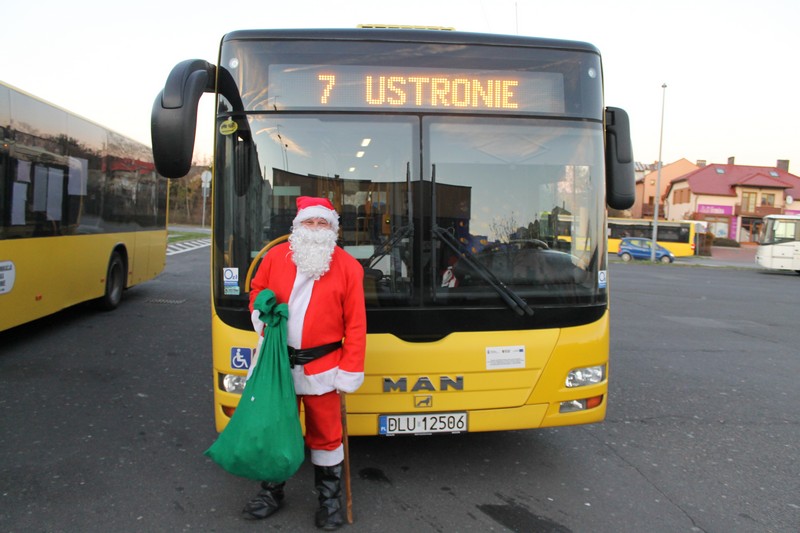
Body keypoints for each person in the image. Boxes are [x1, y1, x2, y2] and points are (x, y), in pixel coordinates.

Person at [245, 196, 367, 530]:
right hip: (278, 366)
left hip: (324, 368)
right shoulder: (274, 258)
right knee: (276, 429)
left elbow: (356, 324)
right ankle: (271, 493)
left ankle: (329, 502)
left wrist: (350, 370)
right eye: (309, 223)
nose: (315, 230)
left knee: (327, 437)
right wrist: (263, 308)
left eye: (322, 223)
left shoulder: (348, 268)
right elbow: (257, 292)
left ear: (333, 230)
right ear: (298, 227)